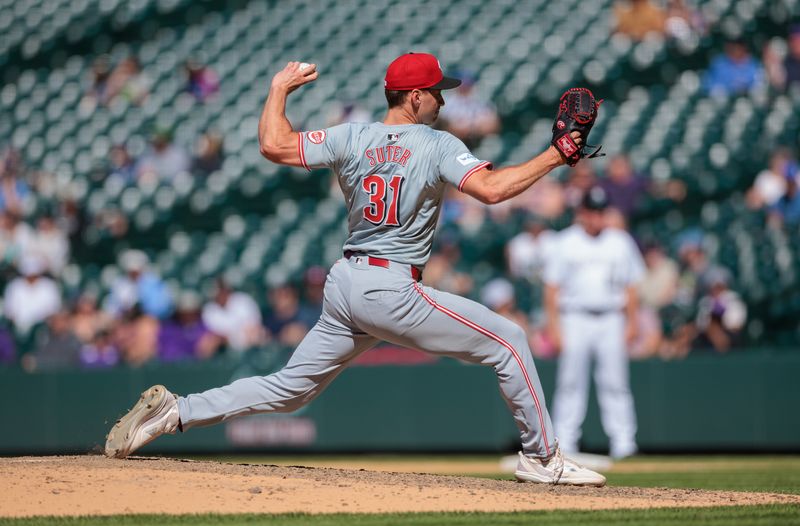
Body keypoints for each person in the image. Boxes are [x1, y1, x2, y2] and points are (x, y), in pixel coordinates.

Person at [105, 53, 605, 486]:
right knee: (510, 340)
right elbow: (493, 191)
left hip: (346, 283)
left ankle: (177, 409)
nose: (443, 101)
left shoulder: (352, 136)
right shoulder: (438, 144)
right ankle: (543, 459)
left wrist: (278, 89)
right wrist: (557, 155)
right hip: (390, 286)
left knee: (290, 390)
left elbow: (274, 145)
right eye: (435, 92)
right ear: (413, 98)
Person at [543, 187, 644, 459]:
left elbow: (632, 287)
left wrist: (632, 322)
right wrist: (554, 326)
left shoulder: (619, 241)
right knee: (570, 381)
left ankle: (624, 442)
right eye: (592, 211)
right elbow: (551, 288)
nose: (596, 217)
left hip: (611, 316)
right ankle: (564, 441)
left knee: (615, 381)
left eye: (601, 211)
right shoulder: (565, 241)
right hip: (574, 316)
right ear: (582, 212)